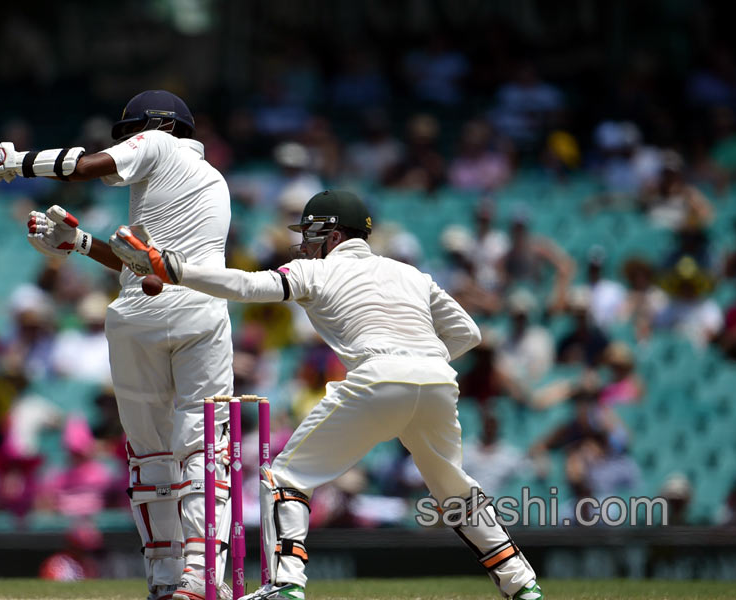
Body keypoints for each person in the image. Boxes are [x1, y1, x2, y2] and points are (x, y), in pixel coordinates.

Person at [110, 190, 543, 600]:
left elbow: (243, 286)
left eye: (312, 234)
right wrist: (419, 358)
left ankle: (286, 583)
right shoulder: (412, 274)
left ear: (335, 235)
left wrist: (168, 267)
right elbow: (469, 333)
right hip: (438, 381)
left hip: (377, 378)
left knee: (285, 479)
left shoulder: (314, 271)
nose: (304, 245)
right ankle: (522, 584)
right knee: (454, 490)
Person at [0, 90, 234, 600]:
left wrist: (15, 163)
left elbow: (86, 166)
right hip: (197, 309)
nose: (130, 140)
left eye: (131, 131)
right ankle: (201, 580)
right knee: (202, 449)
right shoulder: (211, 183)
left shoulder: (158, 142)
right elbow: (144, 266)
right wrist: (80, 244)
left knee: (150, 455)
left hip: (137, 320)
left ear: (156, 127)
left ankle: (164, 581)